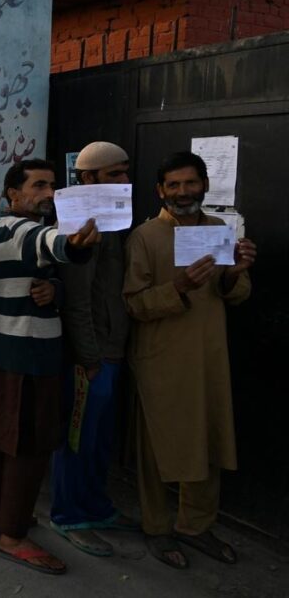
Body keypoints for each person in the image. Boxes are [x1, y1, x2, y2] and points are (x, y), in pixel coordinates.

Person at [124, 151, 255, 569]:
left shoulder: (219, 230)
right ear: (160, 191)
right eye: (174, 185)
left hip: (209, 355)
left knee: (208, 439)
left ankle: (196, 525)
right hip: (160, 357)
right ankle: (157, 527)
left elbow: (237, 293)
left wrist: (236, 271)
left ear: (204, 185)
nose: (183, 192)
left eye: (191, 183)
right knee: (156, 447)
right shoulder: (145, 237)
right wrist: (176, 287)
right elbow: (134, 304)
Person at [0, 158, 100, 575]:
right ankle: (12, 536)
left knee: (11, 440)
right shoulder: (23, 229)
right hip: (29, 355)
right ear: (13, 194)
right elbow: (55, 244)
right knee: (29, 445)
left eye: (52, 185)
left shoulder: (1, 228)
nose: (49, 194)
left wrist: (54, 287)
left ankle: (4, 516)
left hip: (12, 353)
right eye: (38, 186)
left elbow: (48, 263)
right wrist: (79, 242)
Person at [50, 142, 139, 557]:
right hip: (91, 355)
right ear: (88, 180)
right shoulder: (79, 225)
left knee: (101, 437)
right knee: (77, 437)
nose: (124, 181)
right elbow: (78, 300)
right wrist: (88, 358)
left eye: (125, 173)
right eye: (114, 175)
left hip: (115, 350)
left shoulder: (117, 221)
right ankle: (69, 515)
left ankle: (97, 506)